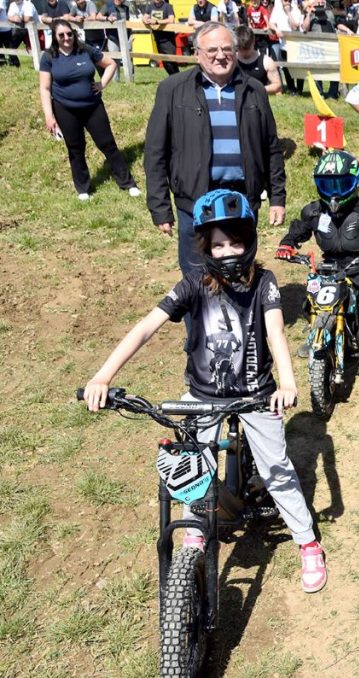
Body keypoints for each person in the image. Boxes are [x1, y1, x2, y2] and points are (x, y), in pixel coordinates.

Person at [82, 189, 328, 595]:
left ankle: (307, 542)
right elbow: (145, 328)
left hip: (256, 394)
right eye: (218, 245)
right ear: (206, 248)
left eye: (235, 242)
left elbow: (275, 332)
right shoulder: (194, 283)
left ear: (249, 241)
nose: (227, 251)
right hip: (203, 395)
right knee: (192, 468)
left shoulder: (265, 283)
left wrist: (287, 382)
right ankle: (195, 531)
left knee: (276, 470)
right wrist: (103, 376)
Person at [144, 21, 286, 276]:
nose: (221, 56)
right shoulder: (173, 89)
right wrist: (160, 207)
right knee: (197, 276)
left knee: (240, 272)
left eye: (226, 49)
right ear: (197, 53)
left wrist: (277, 197)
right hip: (194, 200)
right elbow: (155, 153)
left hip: (242, 198)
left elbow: (271, 148)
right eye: (212, 50)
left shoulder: (254, 90)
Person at [275, 151, 359, 356]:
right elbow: (297, 231)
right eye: (327, 185)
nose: (334, 192)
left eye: (341, 184)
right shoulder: (313, 211)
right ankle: (317, 333)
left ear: (355, 182)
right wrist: (287, 244)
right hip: (328, 269)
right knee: (312, 304)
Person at [39, 19, 140, 200]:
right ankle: (83, 189)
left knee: (108, 144)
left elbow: (111, 64)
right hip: (65, 109)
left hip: (93, 107)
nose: (66, 38)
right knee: (75, 149)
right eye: (61, 35)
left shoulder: (85, 50)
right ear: (54, 37)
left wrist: (102, 84)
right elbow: (45, 88)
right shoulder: (48, 57)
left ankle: (128, 183)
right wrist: (49, 116)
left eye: (69, 34)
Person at [235, 24, 281, 94]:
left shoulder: (266, 62)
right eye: (241, 49)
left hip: (258, 99)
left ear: (253, 41)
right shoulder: (232, 60)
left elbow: (277, 85)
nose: (244, 53)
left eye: (247, 49)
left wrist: (256, 89)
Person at [269, 0, 303, 95]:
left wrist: (288, 13)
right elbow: (271, 23)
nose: (287, 2)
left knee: (299, 68)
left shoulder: (296, 10)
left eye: (289, 0)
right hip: (284, 45)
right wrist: (276, 30)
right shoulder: (277, 9)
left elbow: (295, 27)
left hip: (296, 44)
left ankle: (299, 90)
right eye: (285, 0)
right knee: (286, 68)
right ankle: (291, 89)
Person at [142, 0, 178, 75]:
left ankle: (177, 77)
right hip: (158, 38)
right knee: (165, 62)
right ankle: (172, 78)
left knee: (171, 61)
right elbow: (145, 17)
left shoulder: (168, 6)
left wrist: (157, 21)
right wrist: (145, 20)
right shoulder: (150, 6)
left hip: (168, 39)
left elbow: (171, 20)